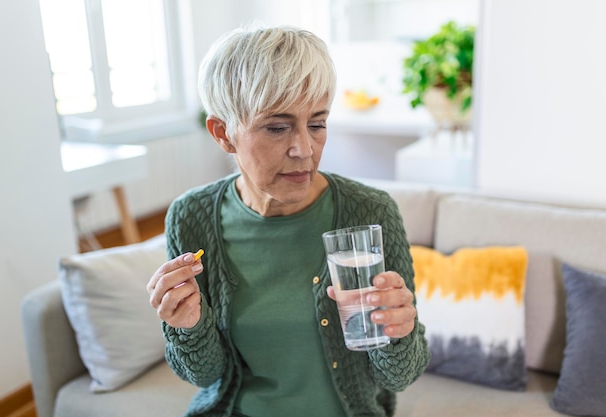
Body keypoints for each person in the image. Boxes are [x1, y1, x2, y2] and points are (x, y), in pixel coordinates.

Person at [146, 24, 430, 417]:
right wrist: (188, 325)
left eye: (317, 123)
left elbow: (399, 376)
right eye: (277, 128)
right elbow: (204, 374)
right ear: (223, 133)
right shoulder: (191, 217)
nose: (304, 149)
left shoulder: (371, 211)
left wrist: (399, 333)